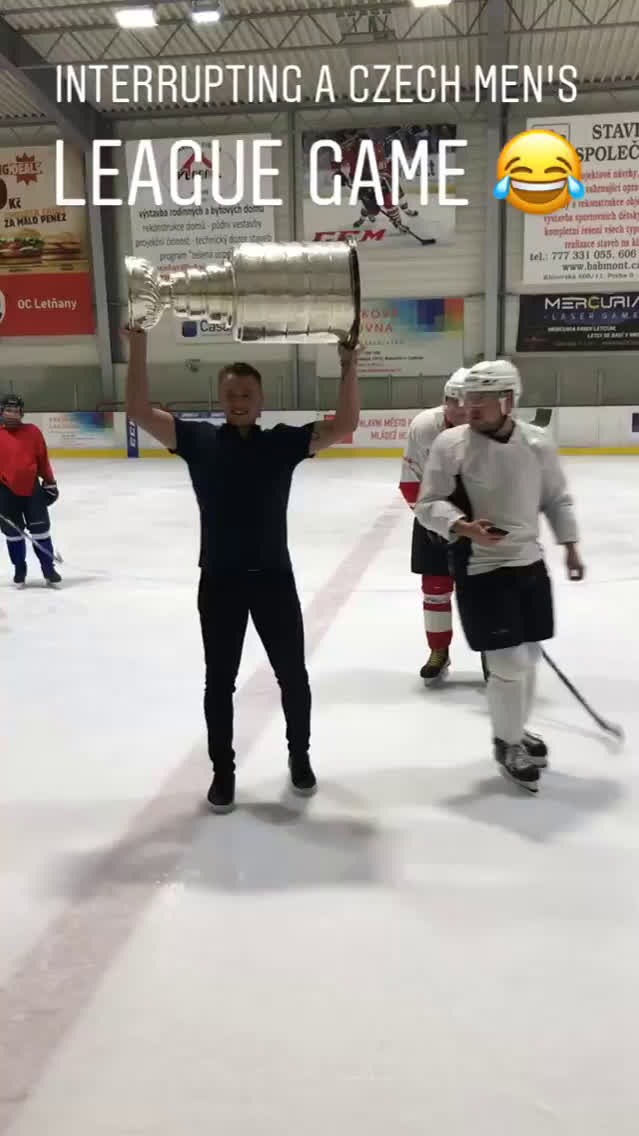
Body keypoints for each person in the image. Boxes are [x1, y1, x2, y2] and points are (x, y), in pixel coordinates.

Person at [124, 327, 360, 813]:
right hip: (220, 582)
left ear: (261, 400)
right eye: (231, 394)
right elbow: (139, 411)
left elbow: (345, 423)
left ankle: (299, 756)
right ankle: (223, 771)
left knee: (292, 676)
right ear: (221, 398)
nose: (238, 401)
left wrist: (348, 366)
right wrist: (139, 345)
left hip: (273, 580)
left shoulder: (282, 443)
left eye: (246, 394)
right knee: (219, 683)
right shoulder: (197, 439)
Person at [414, 360, 584, 793]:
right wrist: (462, 526)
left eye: (481, 400)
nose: (470, 407)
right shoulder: (451, 445)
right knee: (507, 662)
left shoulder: (537, 443)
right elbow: (428, 504)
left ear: (508, 400)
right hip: (481, 567)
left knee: (529, 656)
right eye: (467, 398)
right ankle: (507, 744)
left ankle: (516, 730)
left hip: (529, 562)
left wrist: (570, 544)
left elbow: (557, 498)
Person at [399, 369, 467, 683]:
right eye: (453, 401)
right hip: (432, 513)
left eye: (467, 402)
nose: (460, 409)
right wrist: (435, 523)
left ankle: (493, 653)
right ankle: (438, 650)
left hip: (479, 516)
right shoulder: (424, 427)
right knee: (435, 588)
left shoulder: (488, 427)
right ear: (444, 401)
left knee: (485, 588)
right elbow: (410, 484)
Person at [0, 393, 61, 588]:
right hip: (5, 492)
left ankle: (48, 570)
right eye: (8, 410)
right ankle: (20, 568)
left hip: (32, 490)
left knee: (41, 531)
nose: (12, 414)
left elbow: (43, 460)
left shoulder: (32, 432)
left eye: (16, 411)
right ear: (1, 412)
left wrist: (50, 483)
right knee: (13, 534)